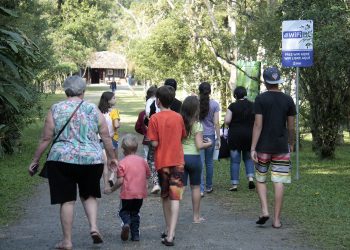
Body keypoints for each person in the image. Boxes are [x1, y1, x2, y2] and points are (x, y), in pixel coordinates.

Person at [28, 76, 118, 250]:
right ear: (83, 91)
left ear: (65, 91)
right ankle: (93, 227)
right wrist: (112, 158)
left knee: (67, 200)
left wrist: (35, 160)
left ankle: (67, 241)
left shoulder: (56, 109)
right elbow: (106, 136)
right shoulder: (93, 109)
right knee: (90, 195)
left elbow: (46, 138)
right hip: (91, 160)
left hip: (62, 160)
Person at [250, 67, 296, 229]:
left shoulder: (260, 99)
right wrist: (291, 143)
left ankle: (264, 210)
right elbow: (291, 126)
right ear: (278, 81)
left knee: (260, 178)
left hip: (263, 146)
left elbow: (258, 124)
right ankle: (276, 220)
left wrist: (253, 148)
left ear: (265, 81)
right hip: (281, 147)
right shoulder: (288, 100)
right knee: (279, 181)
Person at [147, 85, 186, 246]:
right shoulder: (178, 117)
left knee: (165, 196)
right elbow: (183, 136)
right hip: (178, 161)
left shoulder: (154, 119)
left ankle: (168, 227)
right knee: (175, 197)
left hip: (162, 163)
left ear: (157, 101)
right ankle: (171, 233)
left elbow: (154, 143)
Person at [105, 134, 150, 241]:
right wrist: (145, 186)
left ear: (124, 150)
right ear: (136, 147)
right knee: (135, 213)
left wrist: (111, 189)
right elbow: (147, 175)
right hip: (140, 194)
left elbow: (120, 181)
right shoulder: (143, 161)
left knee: (123, 212)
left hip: (127, 194)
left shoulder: (123, 163)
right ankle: (135, 235)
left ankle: (126, 223)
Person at [181, 96, 212, 223]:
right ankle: (196, 217)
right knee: (195, 187)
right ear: (196, 110)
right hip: (194, 158)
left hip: (180, 158)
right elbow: (199, 145)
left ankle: (173, 215)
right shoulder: (197, 125)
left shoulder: (179, 123)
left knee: (179, 188)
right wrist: (209, 143)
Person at [224, 86, 255, 191]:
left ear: (235, 95)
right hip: (249, 135)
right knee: (248, 158)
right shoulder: (252, 105)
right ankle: (250, 179)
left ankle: (234, 185)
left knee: (235, 161)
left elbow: (227, 121)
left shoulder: (232, 106)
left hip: (235, 136)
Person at [198, 82, 220, 196]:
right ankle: (209, 186)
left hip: (198, 135)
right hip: (210, 135)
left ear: (199, 91)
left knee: (200, 162)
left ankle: (201, 189)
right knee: (209, 162)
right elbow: (216, 122)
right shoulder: (215, 104)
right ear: (210, 91)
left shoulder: (196, 103)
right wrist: (218, 139)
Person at [98, 91, 121, 189]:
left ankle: (106, 186)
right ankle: (112, 177)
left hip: (100, 139)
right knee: (114, 159)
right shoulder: (114, 111)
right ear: (108, 100)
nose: (115, 99)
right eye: (114, 98)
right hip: (112, 139)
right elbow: (116, 125)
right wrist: (119, 124)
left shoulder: (98, 111)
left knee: (105, 162)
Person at [142, 85, 161, 194]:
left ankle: (155, 182)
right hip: (163, 132)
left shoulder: (150, 101)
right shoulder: (161, 101)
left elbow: (148, 115)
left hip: (153, 132)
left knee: (151, 158)